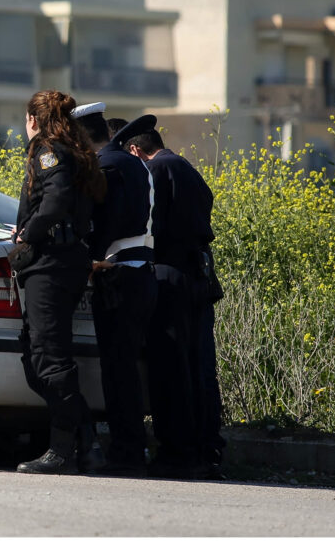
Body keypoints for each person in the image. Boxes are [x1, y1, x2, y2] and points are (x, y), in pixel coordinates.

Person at [122, 119, 224, 478]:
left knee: (170, 367)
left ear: (135, 150)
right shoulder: (184, 166)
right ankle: (205, 448)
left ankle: (177, 452)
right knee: (198, 368)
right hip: (197, 274)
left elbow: (149, 224)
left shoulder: (157, 169)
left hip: (170, 275)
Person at [14, 90, 106, 475]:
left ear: (34, 119)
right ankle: (86, 444)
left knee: (49, 360)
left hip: (50, 263)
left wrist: (27, 234)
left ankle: (66, 448)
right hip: (63, 262)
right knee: (39, 356)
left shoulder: (48, 150)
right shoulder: (74, 148)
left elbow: (53, 202)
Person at [73, 105, 157, 477]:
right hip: (141, 270)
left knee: (118, 370)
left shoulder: (106, 165)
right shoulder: (131, 161)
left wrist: (86, 257)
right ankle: (133, 446)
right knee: (128, 369)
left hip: (119, 271)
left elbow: (104, 223)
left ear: (79, 136)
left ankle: (127, 453)